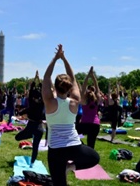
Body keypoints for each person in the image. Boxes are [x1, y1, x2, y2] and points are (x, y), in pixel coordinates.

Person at [42, 44, 99, 186]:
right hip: (74, 146)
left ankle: (67, 168)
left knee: (59, 183)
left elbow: (46, 76)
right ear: (68, 88)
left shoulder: (49, 102)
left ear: (54, 87)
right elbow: (73, 79)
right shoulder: (74, 102)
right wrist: (64, 58)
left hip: (56, 149)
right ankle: (71, 167)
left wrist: (56, 58)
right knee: (94, 158)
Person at [15, 70, 45, 167]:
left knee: (17, 137)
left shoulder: (31, 104)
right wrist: (39, 80)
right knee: (35, 147)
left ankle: (30, 135)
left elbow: (31, 90)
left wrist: (36, 78)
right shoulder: (42, 103)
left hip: (32, 126)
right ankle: (32, 163)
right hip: (40, 128)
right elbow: (41, 90)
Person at [76, 66, 102, 149]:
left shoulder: (84, 101)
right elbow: (97, 86)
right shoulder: (97, 100)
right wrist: (93, 76)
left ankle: (82, 146)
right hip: (95, 124)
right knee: (91, 145)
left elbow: (83, 86)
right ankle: (90, 155)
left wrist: (88, 75)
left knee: (72, 135)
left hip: (85, 124)